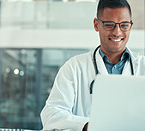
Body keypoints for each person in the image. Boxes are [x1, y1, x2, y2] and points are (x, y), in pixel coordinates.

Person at [41, 0, 145, 131]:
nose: (117, 32)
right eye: (109, 25)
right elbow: (51, 114)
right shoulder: (74, 68)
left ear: (130, 25)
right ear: (97, 25)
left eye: (124, 25)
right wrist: (88, 125)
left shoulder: (142, 66)